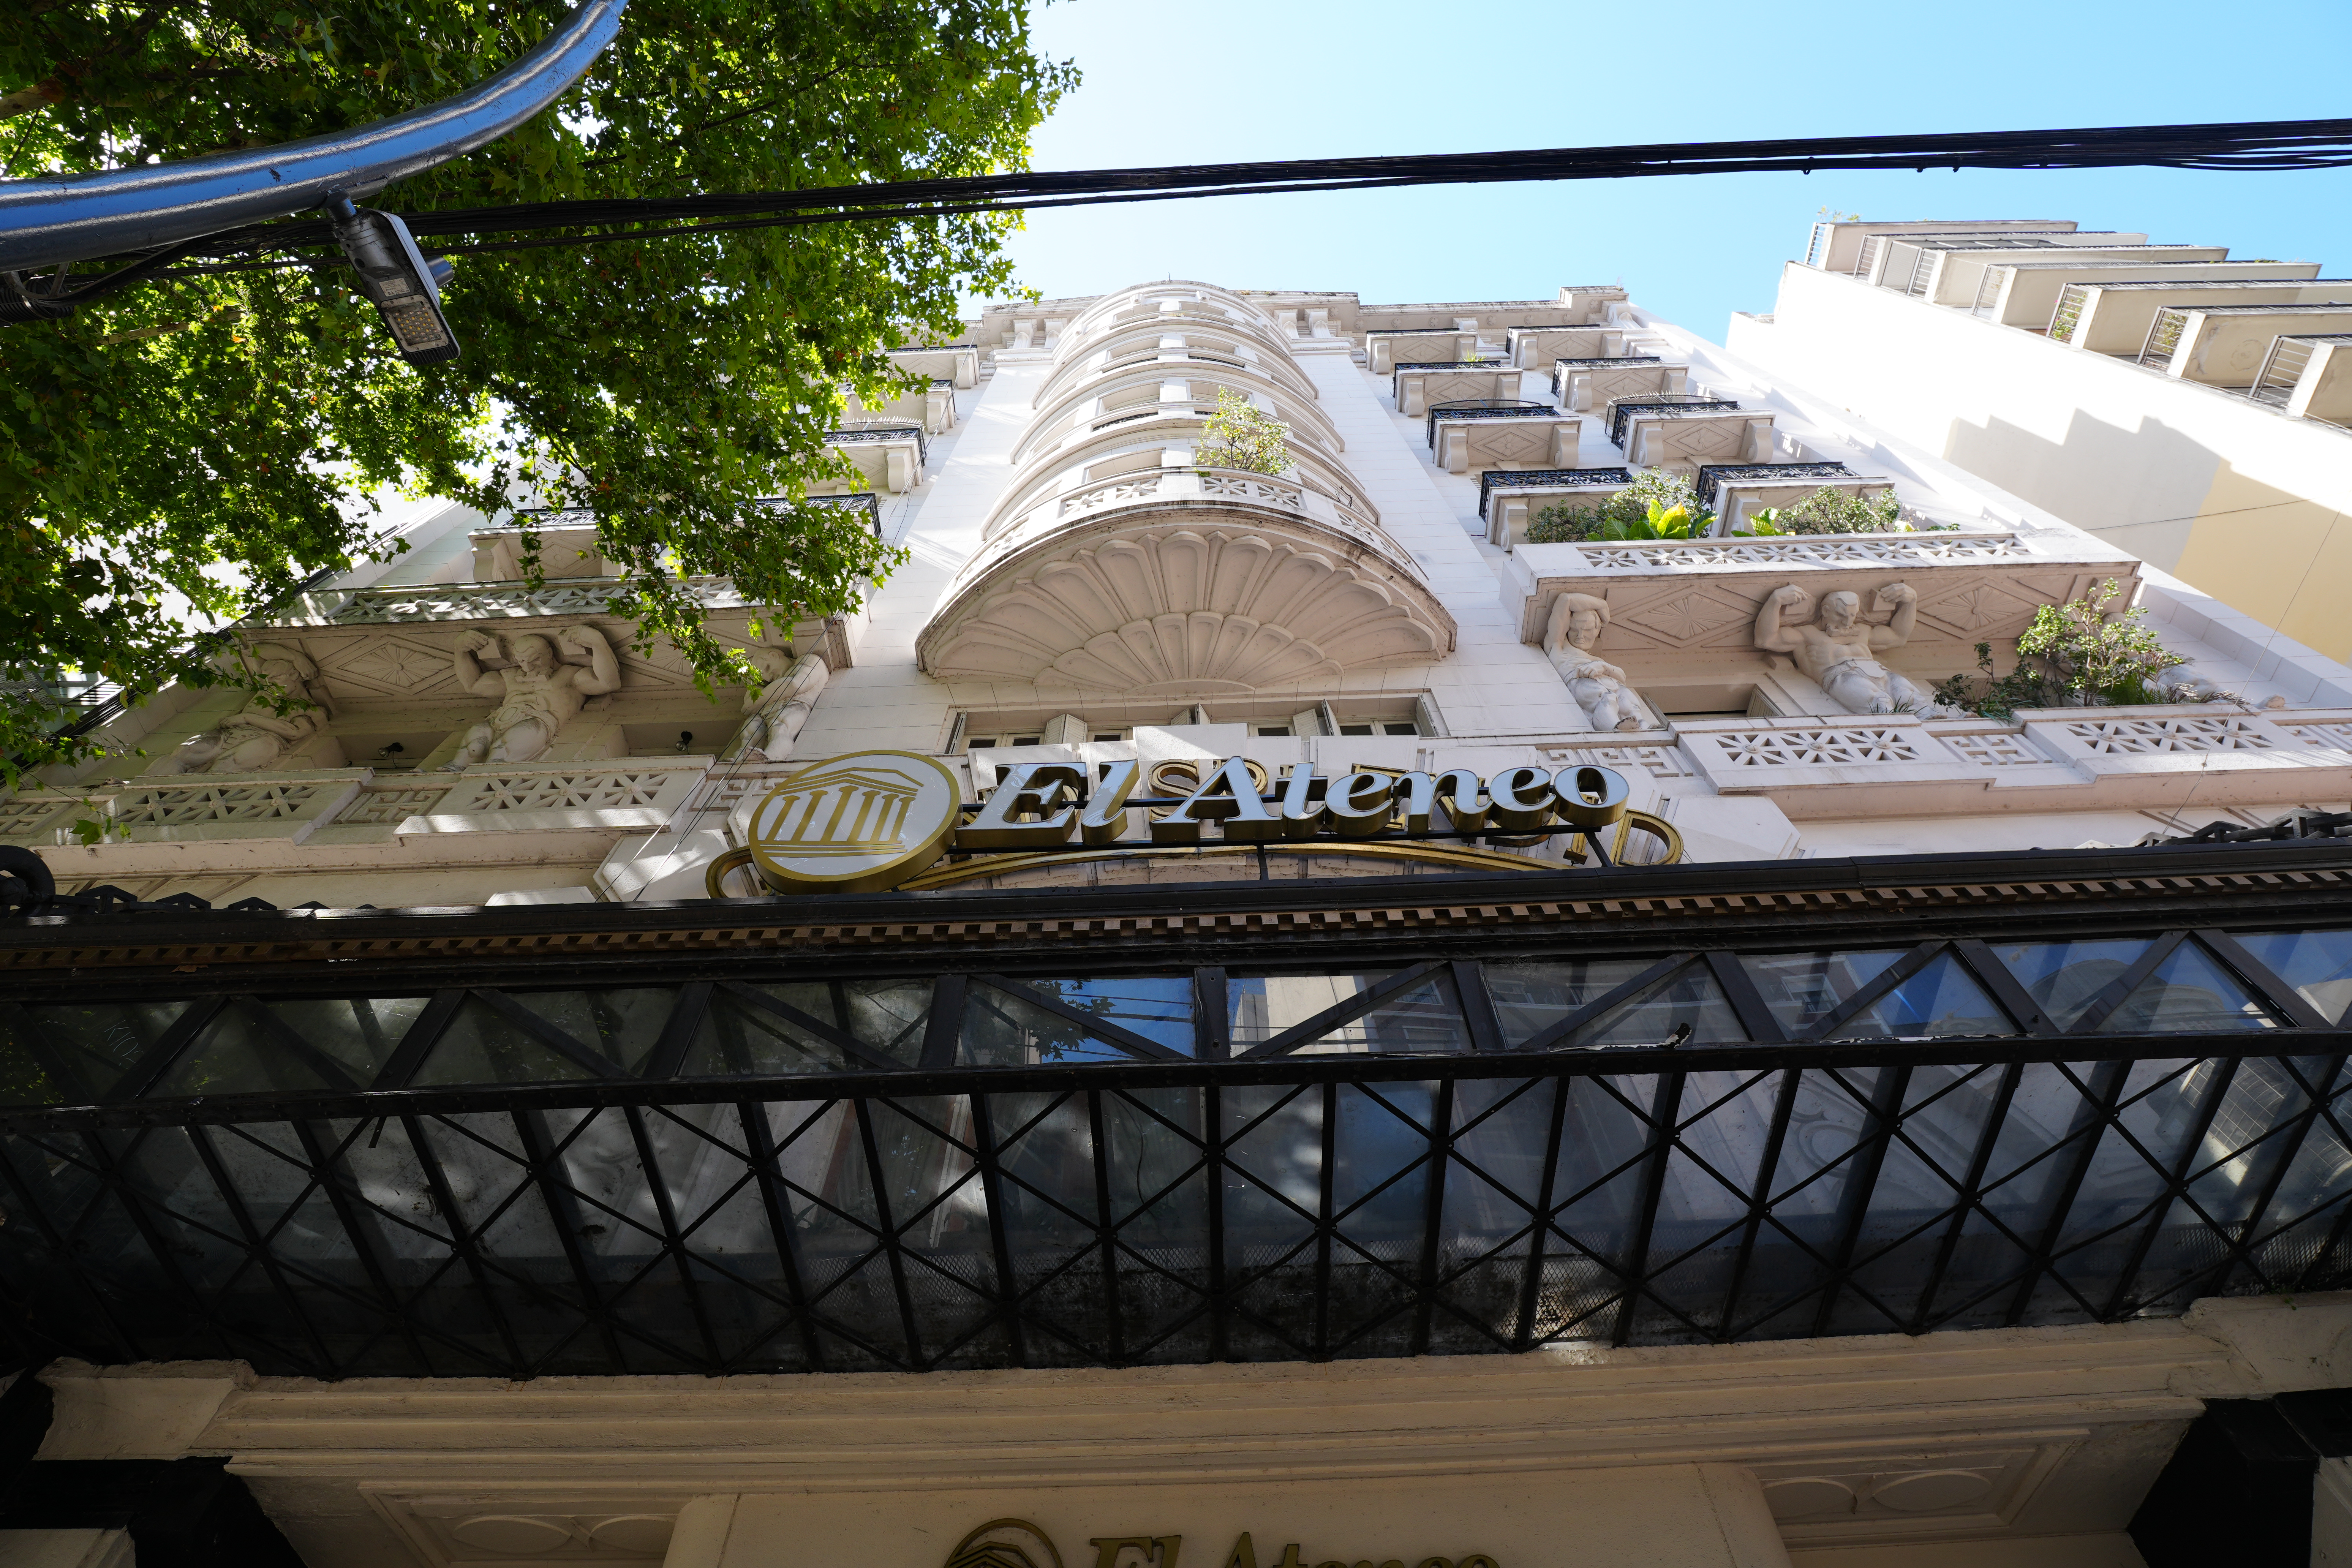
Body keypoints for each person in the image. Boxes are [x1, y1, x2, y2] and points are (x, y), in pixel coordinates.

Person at [1753, 582, 1958, 718]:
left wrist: (1910, 602)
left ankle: (1931, 721)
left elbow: (1899, 636)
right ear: (1825, 611)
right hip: (1841, 676)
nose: (1848, 621)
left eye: (1853, 615)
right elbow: (1766, 640)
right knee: (1880, 703)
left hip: (1881, 673)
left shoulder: (1863, 632)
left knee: (1909, 696)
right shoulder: (1807, 634)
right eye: (1841, 614)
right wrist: (1776, 600)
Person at [442, 626, 622, 770]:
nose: (528, 667)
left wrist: (597, 642)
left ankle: (495, 768)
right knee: (476, 739)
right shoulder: (510, 676)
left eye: (535, 660)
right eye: (522, 661)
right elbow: (473, 685)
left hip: (539, 721)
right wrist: (461, 650)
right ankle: (457, 766)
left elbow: (608, 683)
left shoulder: (569, 675)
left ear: (550, 654)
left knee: (504, 748)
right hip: (499, 718)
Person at [158, 644, 327, 774]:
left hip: (266, 740)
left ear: (296, 676)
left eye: (276, 678)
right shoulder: (266, 692)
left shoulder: (314, 711)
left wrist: (248, 718)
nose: (270, 684)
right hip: (229, 734)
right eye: (267, 679)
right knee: (183, 753)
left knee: (227, 767)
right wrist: (296, 657)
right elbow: (252, 650)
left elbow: (295, 733)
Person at [1544, 593, 1647, 732]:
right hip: (1583, 682)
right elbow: (1565, 599)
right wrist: (1601, 605)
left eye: (1587, 630)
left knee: (1630, 705)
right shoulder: (1559, 647)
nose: (1580, 636)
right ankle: (1614, 729)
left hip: (1613, 683)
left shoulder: (1599, 660)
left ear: (1597, 631)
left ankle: (1646, 729)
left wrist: (1603, 667)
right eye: (1575, 630)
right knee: (1606, 698)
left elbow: (1622, 677)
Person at [724, 646, 829, 762]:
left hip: (795, 705)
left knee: (780, 727)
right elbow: (748, 703)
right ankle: (737, 761)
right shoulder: (772, 682)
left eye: (768, 668)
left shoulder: (809, 660)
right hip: (765, 712)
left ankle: (771, 758)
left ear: (773, 656)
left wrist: (759, 698)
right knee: (750, 732)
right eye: (764, 678)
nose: (769, 678)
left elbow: (795, 684)